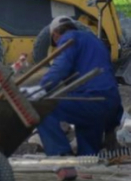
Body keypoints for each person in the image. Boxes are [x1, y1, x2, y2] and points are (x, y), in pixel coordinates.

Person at [28, 16, 123, 156]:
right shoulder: (94, 41)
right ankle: (86, 162)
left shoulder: (69, 39)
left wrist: (40, 90)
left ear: (55, 34)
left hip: (91, 99)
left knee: (41, 109)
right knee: (87, 156)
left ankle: (61, 155)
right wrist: (110, 129)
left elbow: (60, 69)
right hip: (110, 104)